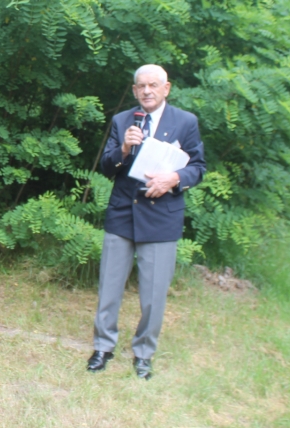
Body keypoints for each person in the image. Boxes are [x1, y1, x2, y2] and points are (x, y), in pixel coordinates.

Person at [87, 64, 205, 379]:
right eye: (141, 86)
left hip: (161, 217)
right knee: (109, 287)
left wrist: (174, 178)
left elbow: (198, 168)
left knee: (153, 295)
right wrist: (124, 148)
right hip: (122, 213)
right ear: (135, 90)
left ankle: (143, 353)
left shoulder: (185, 121)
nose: (147, 91)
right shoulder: (122, 120)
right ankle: (103, 347)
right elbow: (107, 168)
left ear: (167, 88)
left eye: (153, 85)